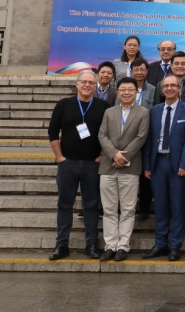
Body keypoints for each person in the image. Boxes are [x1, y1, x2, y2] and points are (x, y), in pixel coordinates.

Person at [47, 70, 108, 260]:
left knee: (91, 205)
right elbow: (52, 131)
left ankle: (91, 244)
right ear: (77, 83)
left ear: (95, 86)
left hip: (92, 164)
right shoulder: (64, 104)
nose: (87, 85)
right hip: (68, 164)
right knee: (64, 204)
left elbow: (109, 133)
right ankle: (61, 244)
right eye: (84, 82)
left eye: (91, 82)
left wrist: (101, 156)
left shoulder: (103, 106)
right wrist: (59, 157)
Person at [142, 76, 185, 261]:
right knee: (161, 206)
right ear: (161, 89)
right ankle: (160, 244)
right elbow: (149, 138)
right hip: (158, 164)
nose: (170, 88)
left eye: (173, 85)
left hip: (178, 165)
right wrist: (147, 165)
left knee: (178, 206)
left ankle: (175, 245)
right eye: (166, 86)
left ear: (180, 88)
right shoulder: (154, 110)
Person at [97, 77, 150, 262]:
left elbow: (141, 137)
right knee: (109, 209)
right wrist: (114, 154)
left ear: (136, 92)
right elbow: (102, 135)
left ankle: (123, 246)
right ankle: (110, 245)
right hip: (108, 166)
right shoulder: (109, 112)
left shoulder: (143, 112)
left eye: (130, 90)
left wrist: (123, 157)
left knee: (128, 209)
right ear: (117, 93)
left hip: (131, 166)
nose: (127, 93)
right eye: (123, 90)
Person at [130, 56, 157, 220]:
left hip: (147, 137)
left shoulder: (153, 89)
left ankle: (144, 209)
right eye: (136, 69)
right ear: (131, 71)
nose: (139, 72)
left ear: (147, 71)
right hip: (127, 137)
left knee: (146, 176)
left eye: (142, 69)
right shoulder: (125, 88)